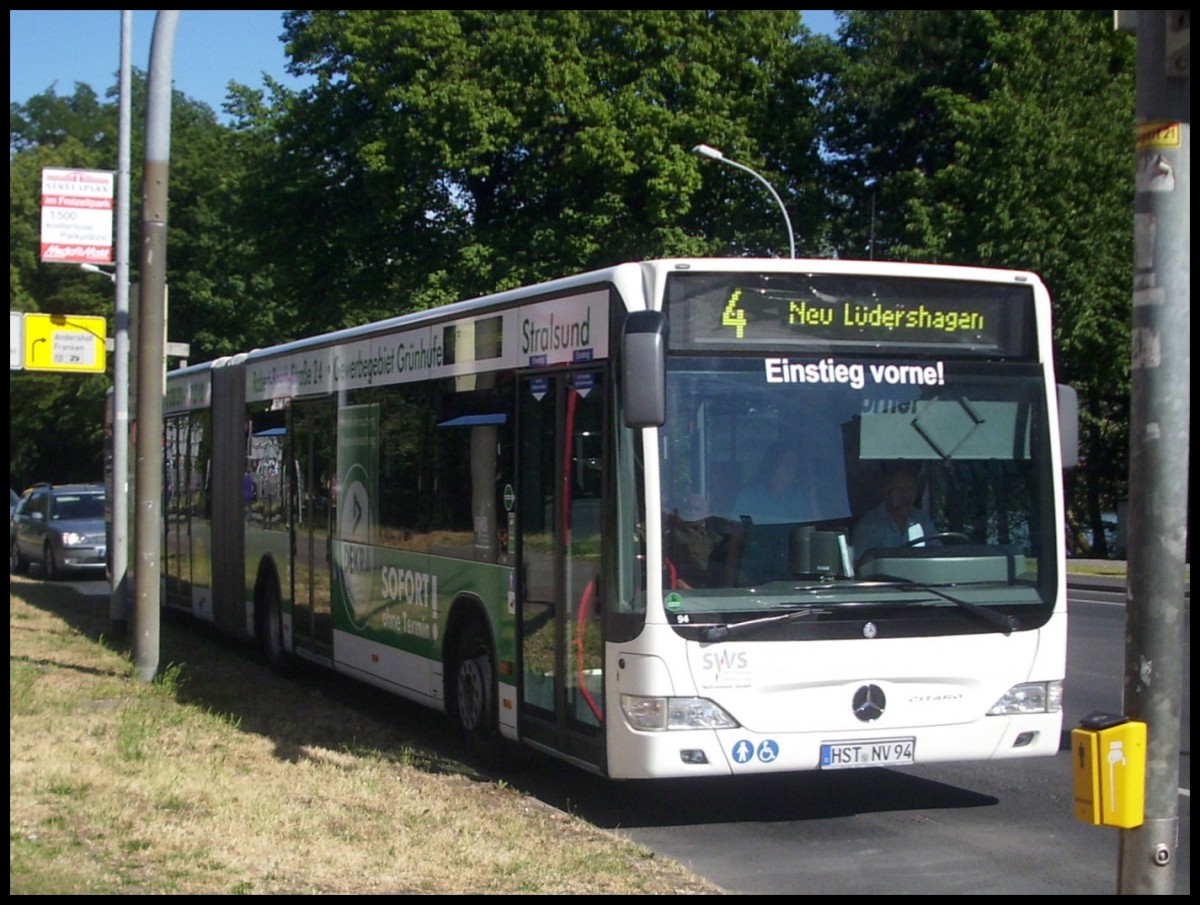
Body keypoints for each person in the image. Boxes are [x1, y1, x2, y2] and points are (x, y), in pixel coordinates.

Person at [851, 467, 937, 561]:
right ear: (887, 492)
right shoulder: (869, 525)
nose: (906, 495)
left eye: (910, 489)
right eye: (899, 490)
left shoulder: (922, 520)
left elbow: (937, 553)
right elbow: (860, 564)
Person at [733, 442, 816, 524]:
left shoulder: (799, 499)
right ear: (774, 464)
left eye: (794, 465)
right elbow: (738, 532)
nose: (792, 469)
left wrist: (812, 497)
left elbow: (810, 530)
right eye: (788, 463)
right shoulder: (748, 497)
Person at [665, 494, 725, 588]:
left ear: (706, 512)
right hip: (685, 588)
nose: (692, 512)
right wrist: (681, 584)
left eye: (697, 509)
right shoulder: (673, 536)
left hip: (714, 587)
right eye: (689, 509)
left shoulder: (717, 534)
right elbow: (667, 565)